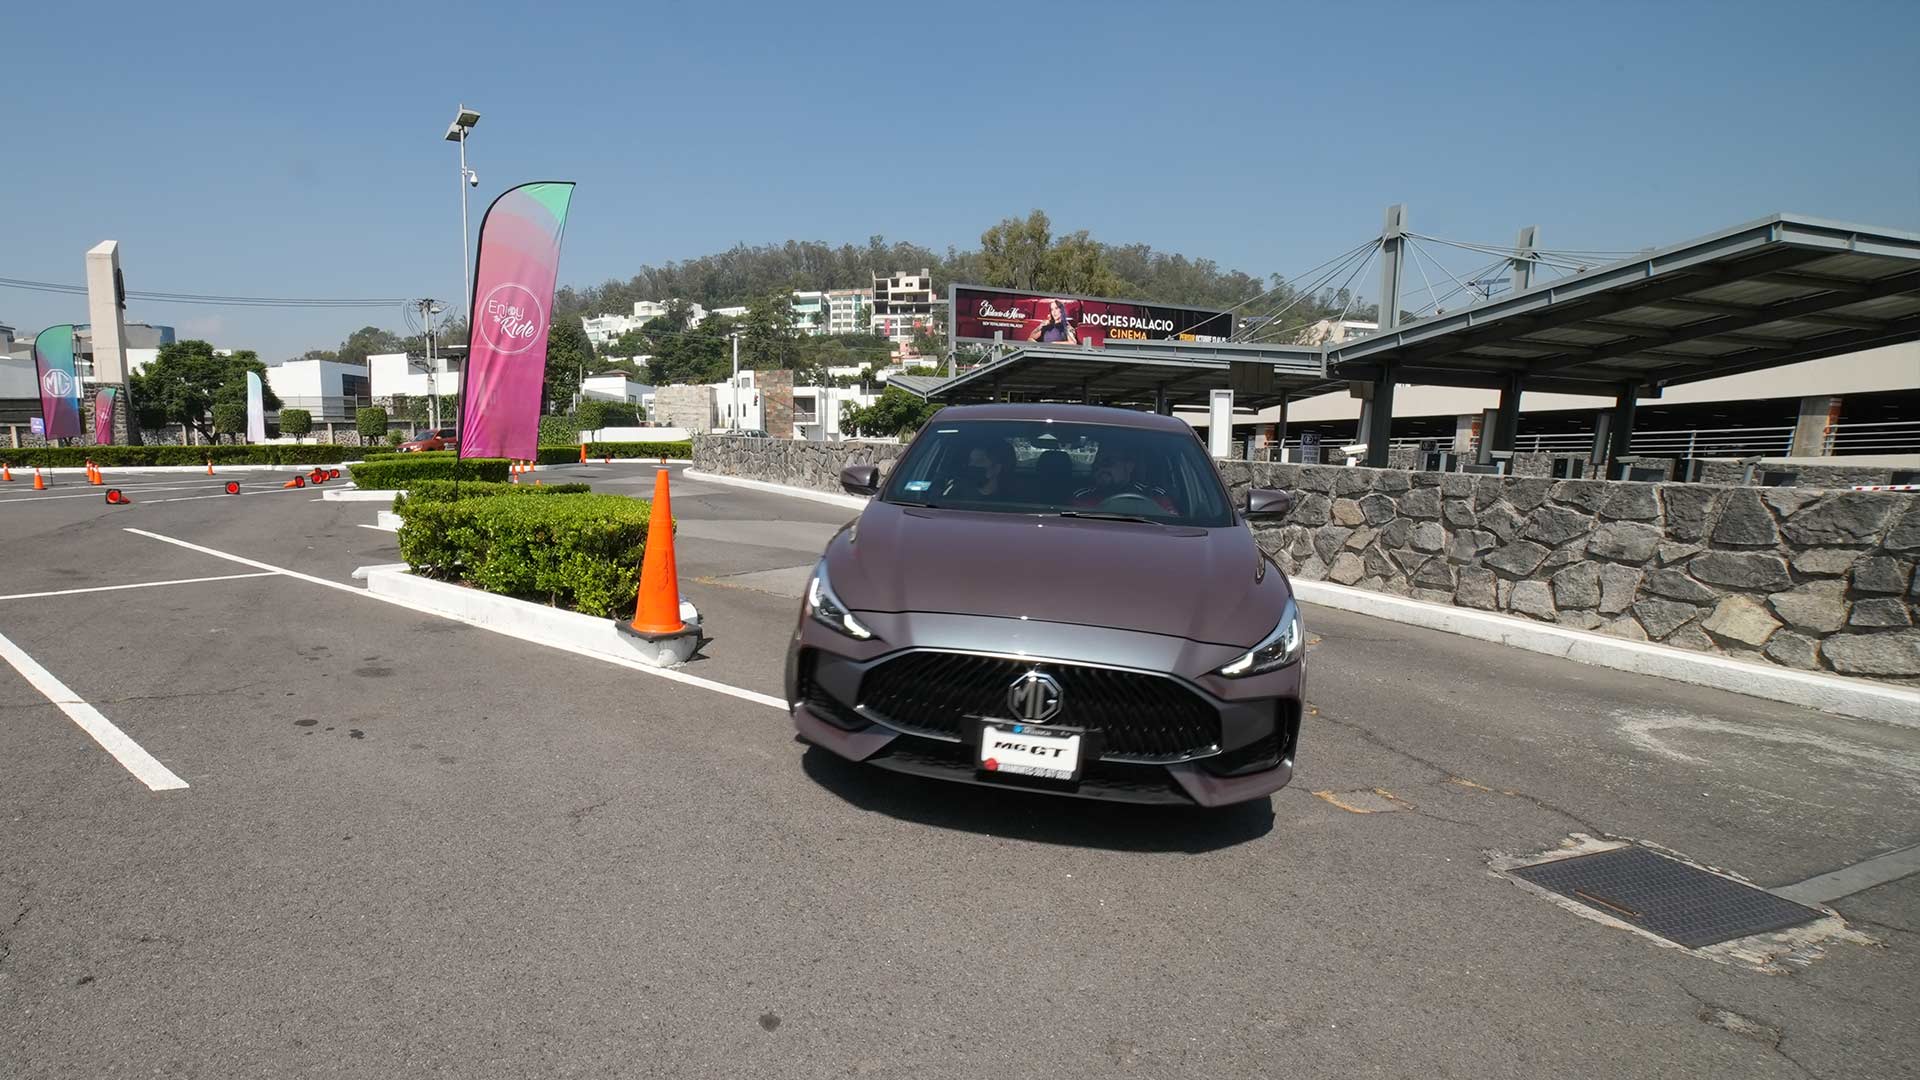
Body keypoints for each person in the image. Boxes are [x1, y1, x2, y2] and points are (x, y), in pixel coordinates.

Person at [1072, 445, 1177, 514]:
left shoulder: (1154, 495)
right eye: (1097, 464)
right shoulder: (1082, 497)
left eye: (1107, 462)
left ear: (1129, 466)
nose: (1101, 468)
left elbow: (1172, 525)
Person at [941, 438, 1015, 499]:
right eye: (970, 461)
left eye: (979, 461)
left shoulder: (1013, 500)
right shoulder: (956, 494)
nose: (972, 465)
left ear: (996, 468)